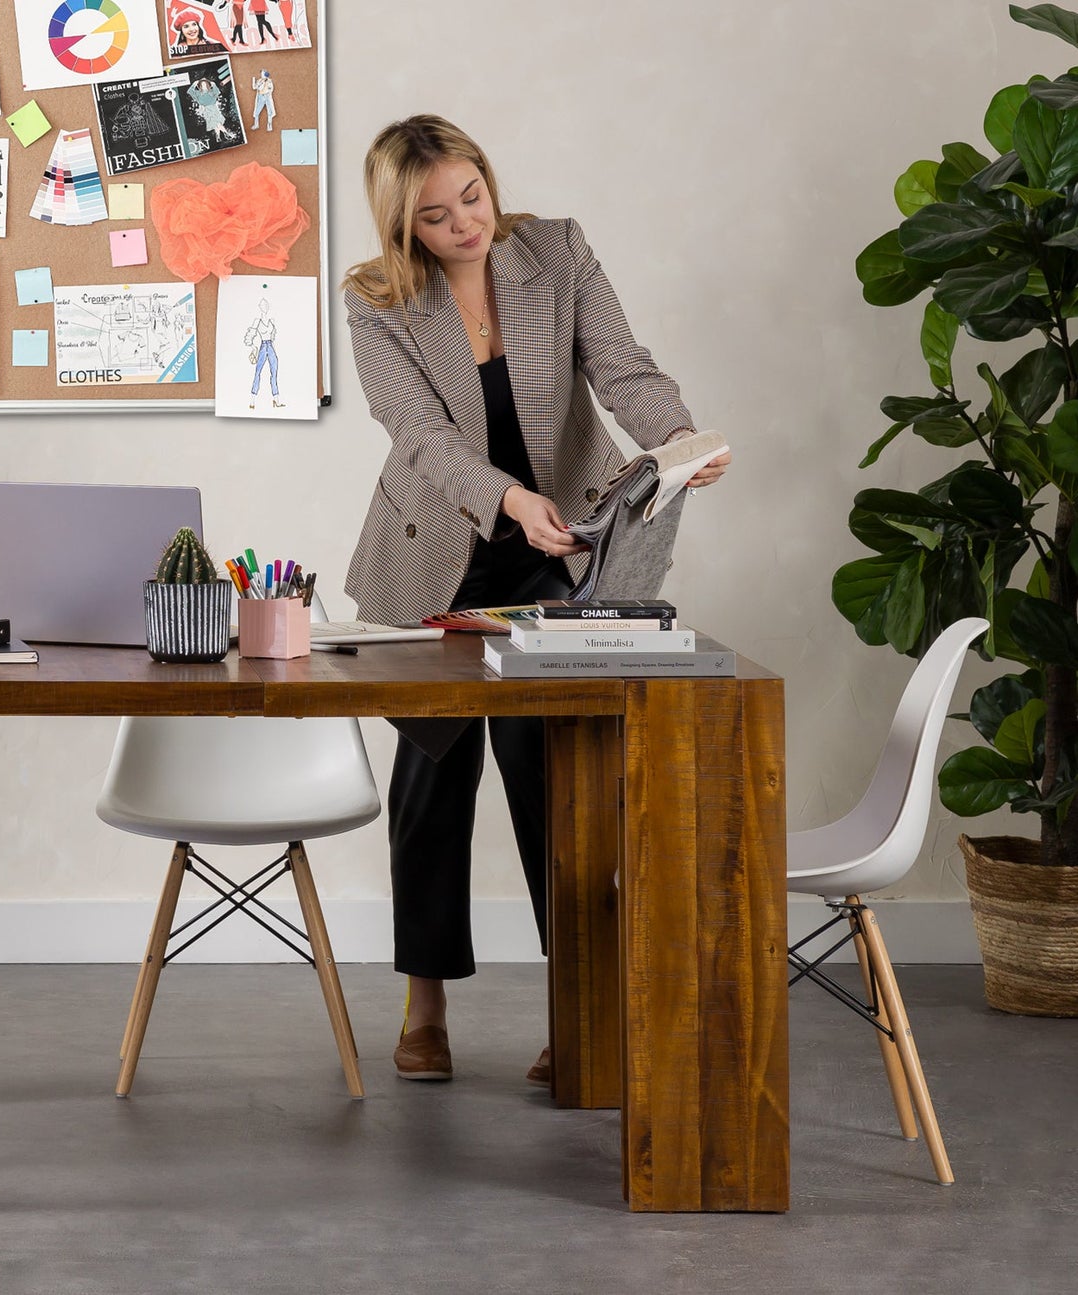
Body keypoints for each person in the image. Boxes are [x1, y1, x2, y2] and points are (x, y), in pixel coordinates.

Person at [340, 115, 730, 1085]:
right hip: (439, 556)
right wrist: (507, 498)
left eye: (471, 196)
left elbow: (622, 368)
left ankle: (576, 1002)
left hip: (556, 553)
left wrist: (679, 437)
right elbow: (417, 433)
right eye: (434, 216)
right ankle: (423, 1001)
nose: (464, 222)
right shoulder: (375, 300)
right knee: (433, 777)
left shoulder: (555, 249)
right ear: (400, 225)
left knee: (554, 776)